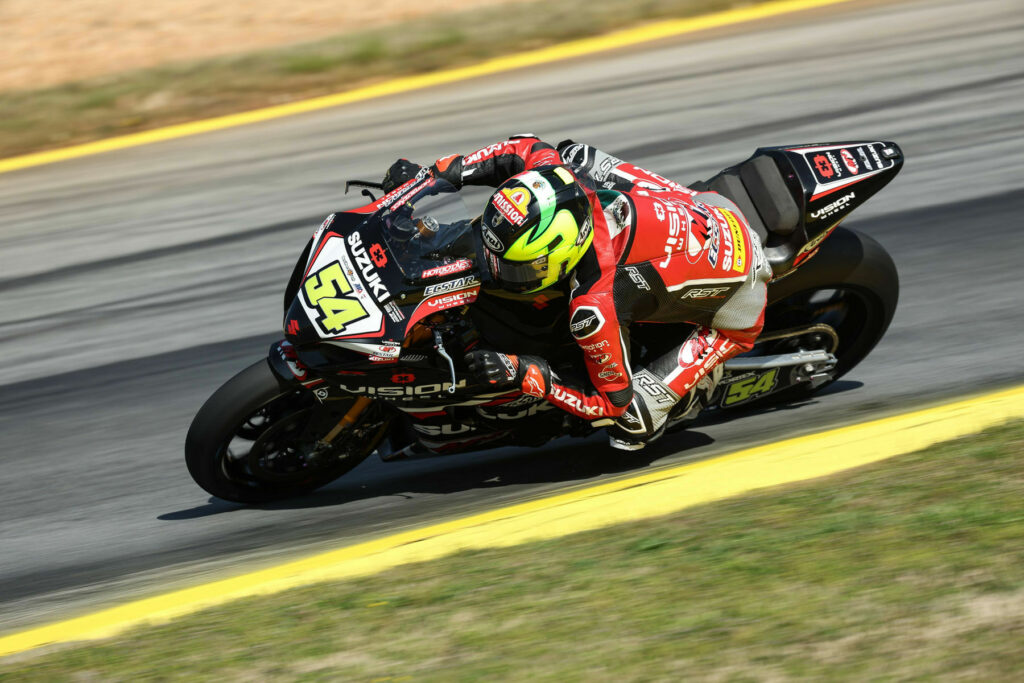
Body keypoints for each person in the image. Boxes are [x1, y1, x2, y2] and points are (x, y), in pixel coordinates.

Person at [380, 135, 771, 450]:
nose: (495, 269)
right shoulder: (551, 174)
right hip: (704, 210)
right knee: (573, 154)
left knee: (631, 419)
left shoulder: (592, 307)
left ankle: (693, 392)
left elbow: (609, 401)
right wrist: (431, 177)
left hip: (739, 298)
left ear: (562, 256)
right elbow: (522, 147)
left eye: (514, 266)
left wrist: (527, 373)